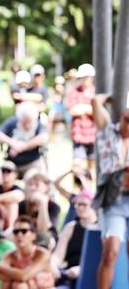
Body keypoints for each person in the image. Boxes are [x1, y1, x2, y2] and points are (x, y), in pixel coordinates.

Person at [92, 93, 129, 289]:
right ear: (122, 117)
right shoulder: (108, 131)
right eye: (127, 120)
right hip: (113, 199)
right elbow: (95, 102)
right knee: (111, 250)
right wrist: (111, 95)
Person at [51, 190, 97, 289]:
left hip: (90, 276)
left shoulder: (100, 228)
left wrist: (82, 269)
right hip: (68, 274)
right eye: (77, 205)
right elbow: (58, 255)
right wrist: (53, 265)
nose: (80, 208)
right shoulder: (70, 227)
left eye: (84, 204)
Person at [0, 216, 54, 289]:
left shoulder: (42, 254)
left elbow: (24, 276)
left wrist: (0, 267)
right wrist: (20, 276)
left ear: (34, 235)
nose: (19, 235)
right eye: (16, 232)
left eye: (24, 231)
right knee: (9, 283)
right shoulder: (10, 255)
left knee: (20, 285)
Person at [0, 102, 48, 179]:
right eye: (24, 121)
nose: (27, 125)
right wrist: (12, 143)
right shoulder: (13, 122)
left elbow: (43, 138)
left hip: (31, 163)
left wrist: (23, 147)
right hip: (12, 163)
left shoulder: (38, 124)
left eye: (29, 121)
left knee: (34, 178)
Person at [18, 172, 61, 250]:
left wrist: (43, 203)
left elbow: (43, 230)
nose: (32, 188)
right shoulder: (22, 205)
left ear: (46, 188)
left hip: (45, 239)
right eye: (30, 185)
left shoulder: (54, 207)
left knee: (44, 238)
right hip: (26, 235)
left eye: (37, 185)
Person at [66, 63, 96, 171]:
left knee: (91, 162)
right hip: (78, 132)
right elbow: (72, 110)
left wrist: (83, 108)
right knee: (77, 162)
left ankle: (90, 184)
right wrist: (89, 108)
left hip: (92, 133)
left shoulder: (95, 91)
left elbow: (97, 111)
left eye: (87, 76)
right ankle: (78, 185)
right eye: (83, 77)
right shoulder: (73, 91)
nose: (85, 79)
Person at [54, 164, 92, 228]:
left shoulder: (93, 197)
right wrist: (70, 171)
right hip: (68, 229)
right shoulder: (74, 197)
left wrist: (81, 177)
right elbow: (56, 183)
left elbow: (88, 193)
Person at [0, 161, 25, 228]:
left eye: (8, 171)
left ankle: (10, 230)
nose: (5, 174)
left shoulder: (17, 188)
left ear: (15, 174)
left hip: (15, 221)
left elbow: (18, 196)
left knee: (12, 204)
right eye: (3, 171)